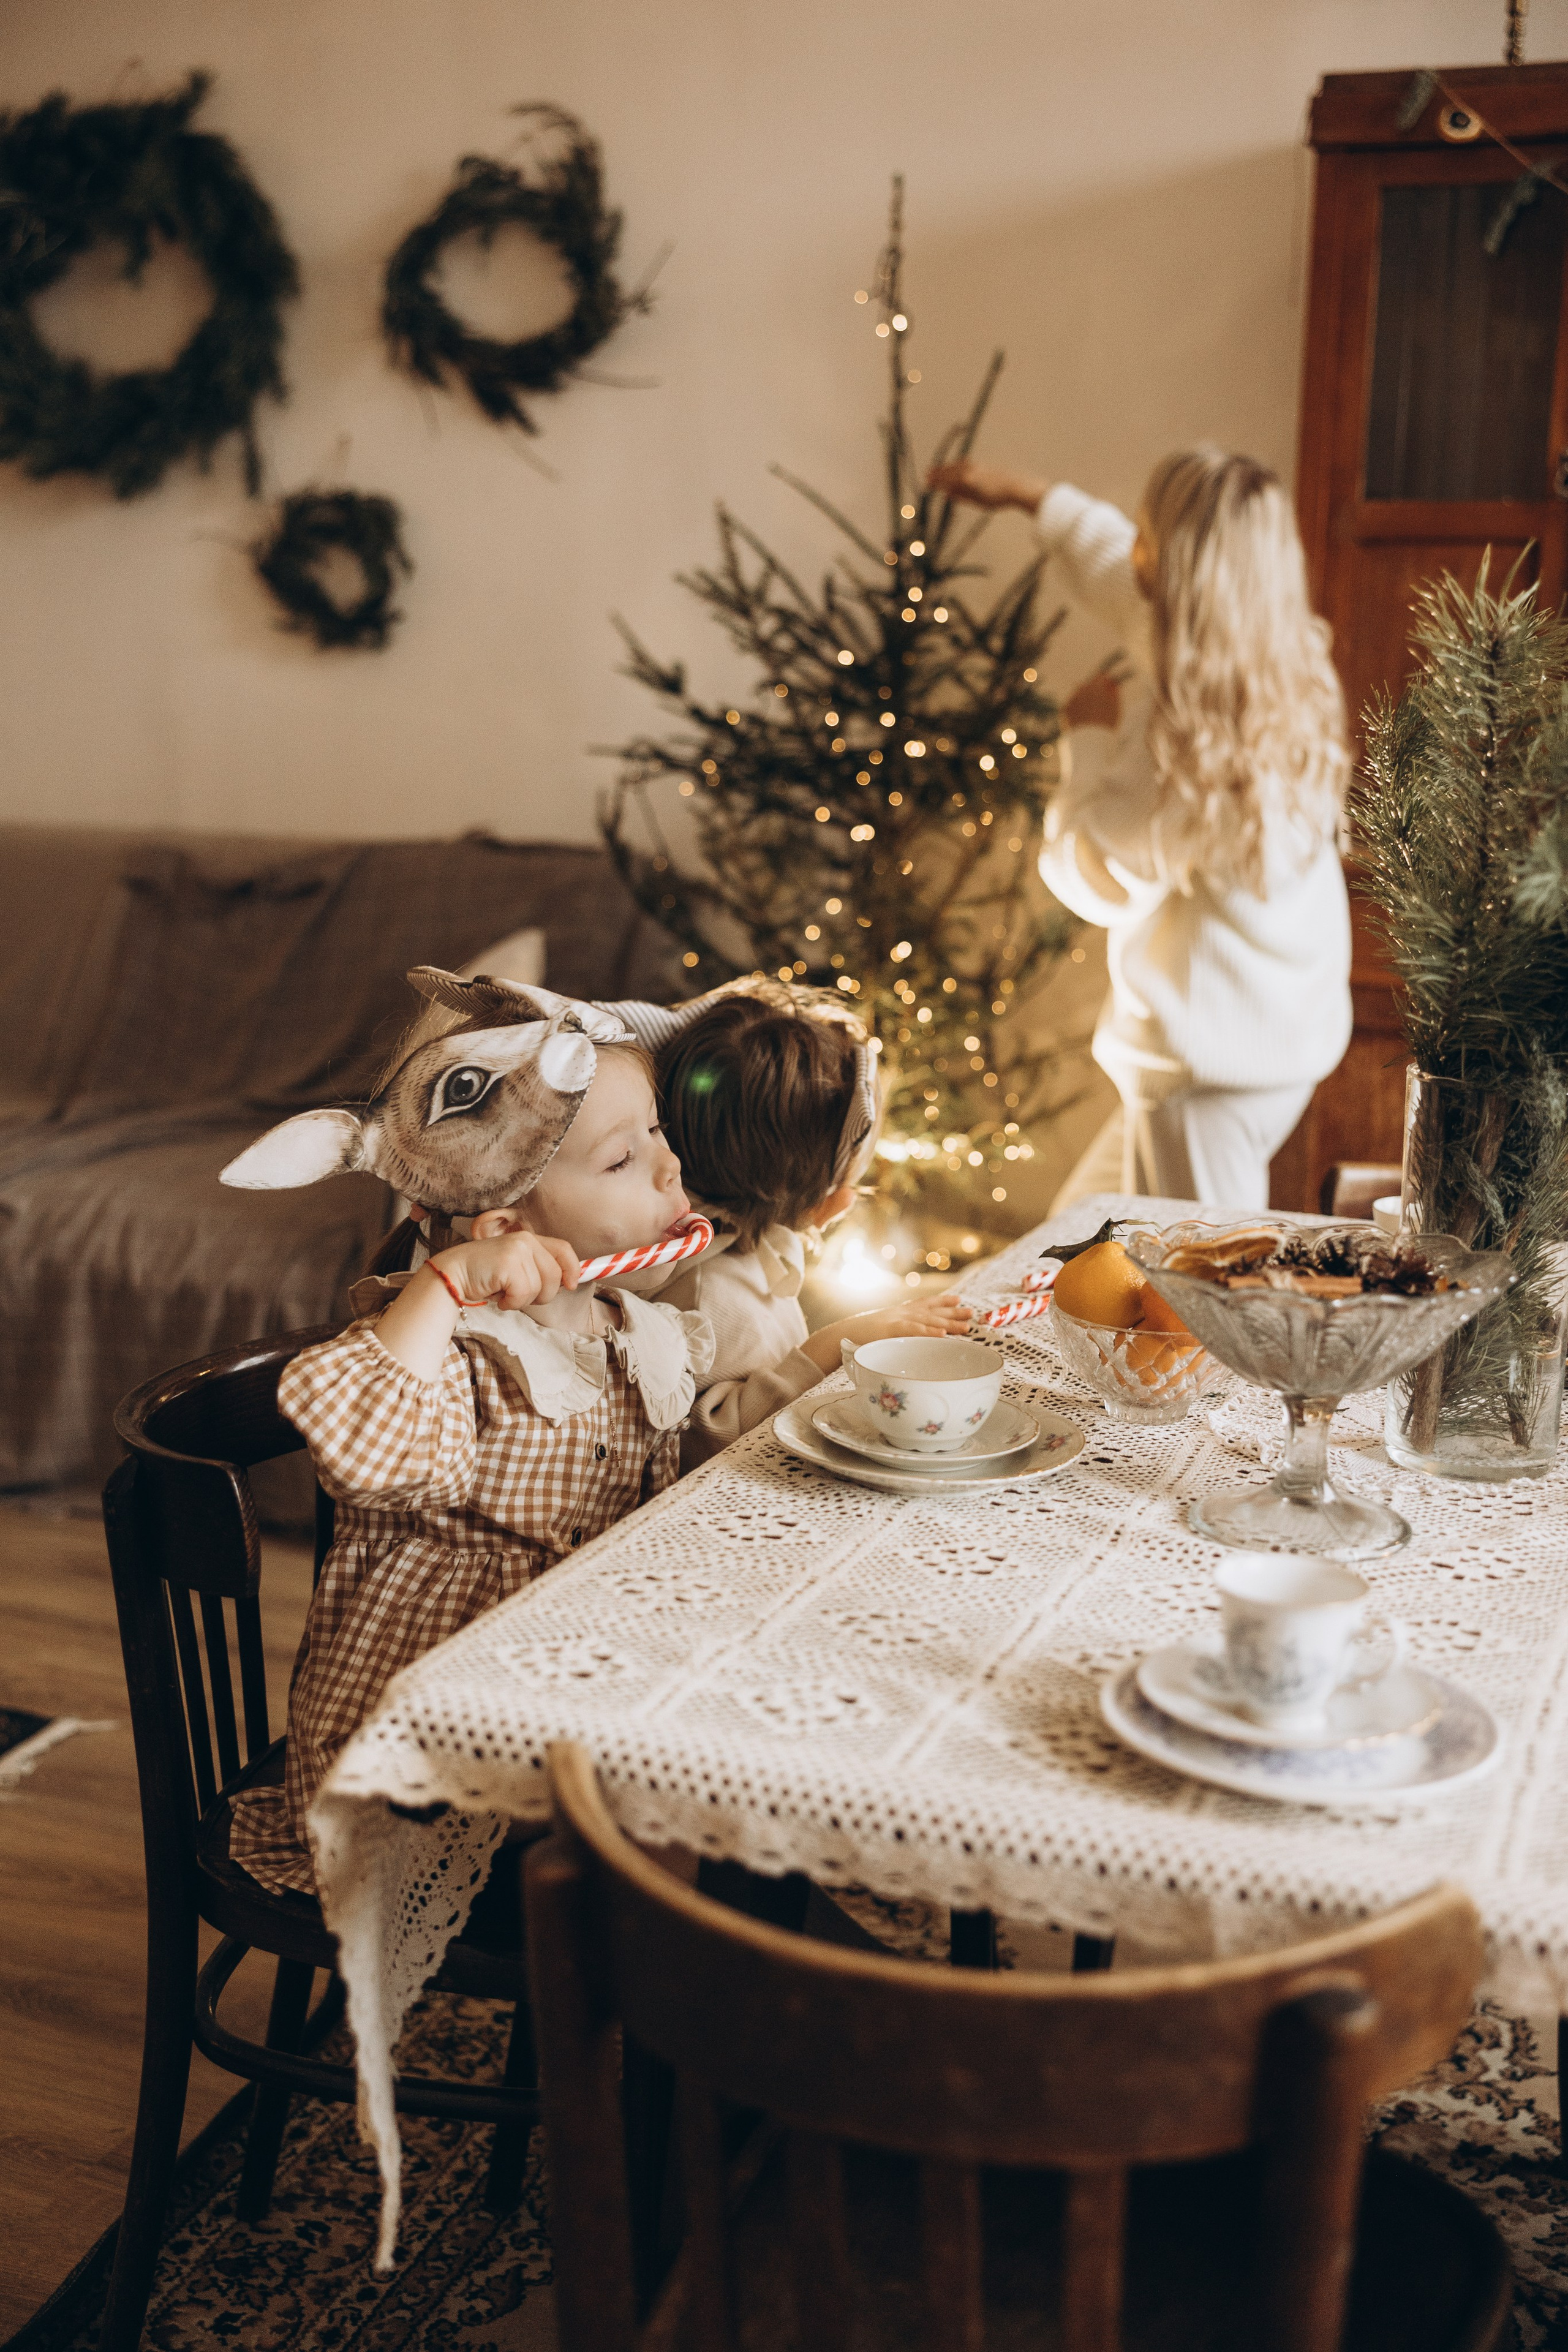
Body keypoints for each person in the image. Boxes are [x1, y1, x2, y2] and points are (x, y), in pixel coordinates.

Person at [219, 971, 714, 1895]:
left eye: (657, 1135)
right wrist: (443, 1285)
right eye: (621, 1161)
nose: (668, 1169)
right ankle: (673, 1996)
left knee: (716, 1775)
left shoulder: (625, 1329)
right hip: (425, 1754)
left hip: (559, 1693)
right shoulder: (456, 1352)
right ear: (503, 1225)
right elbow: (364, 1449)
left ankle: (705, 1977)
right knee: (672, 1834)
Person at [927, 447, 1352, 1209]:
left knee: (1197, 1290)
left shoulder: (1188, 746)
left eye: (1147, 535)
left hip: (1205, 1073)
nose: (1133, 549)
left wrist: (1084, 740)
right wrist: (1029, 490)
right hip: (1269, 1039)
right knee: (1070, 1240)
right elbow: (1113, 567)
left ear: (1174, 569)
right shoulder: (1270, 659)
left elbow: (1092, 875)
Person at [605, 980, 972, 1464]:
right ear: (827, 1204)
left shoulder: (736, 1262)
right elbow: (697, 1450)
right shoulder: (714, 1302)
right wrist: (825, 1350)